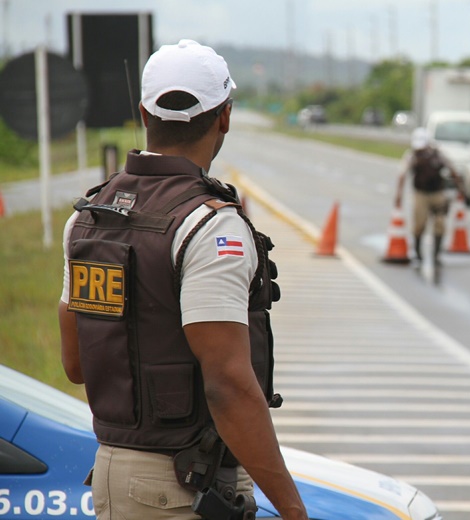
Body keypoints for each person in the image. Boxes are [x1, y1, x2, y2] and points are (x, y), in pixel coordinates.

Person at [57, 39, 308, 520]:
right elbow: (229, 386)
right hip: (183, 487)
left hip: (112, 474)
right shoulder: (210, 227)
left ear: (144, 114)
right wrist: (294, 510)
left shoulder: (88, 218)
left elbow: (76, 364)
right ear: (225, 117)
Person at [394, 127, 464, 265]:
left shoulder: (438, 154)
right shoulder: (412, 156)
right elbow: (403, 174)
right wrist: (399, 195)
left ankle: (436, 255)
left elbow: (452, 170)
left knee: (440, 224)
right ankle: (418, 253)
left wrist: (459, 189)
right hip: (420, 194)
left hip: (438, 194)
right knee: (419, 224)